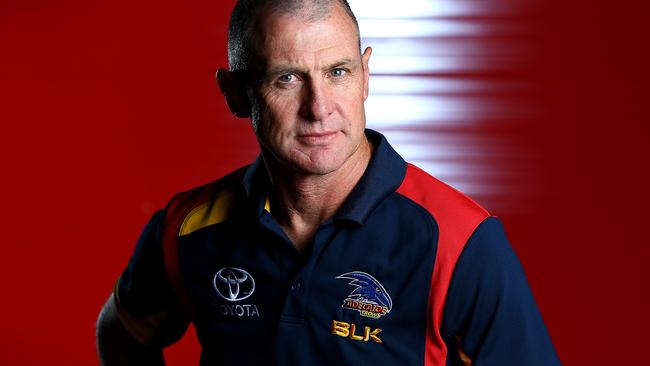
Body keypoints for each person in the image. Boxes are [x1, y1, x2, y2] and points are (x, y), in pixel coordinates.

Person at [96, 0, 561, 365]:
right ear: (236, 94)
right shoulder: (189, 229)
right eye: (287, 78)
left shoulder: (459, 242)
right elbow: (121, 334)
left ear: (365, 77)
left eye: (337, 72)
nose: (319, 107)